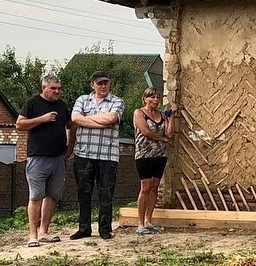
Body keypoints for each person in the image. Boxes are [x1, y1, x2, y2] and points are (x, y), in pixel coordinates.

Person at [15, 75, 74, 247]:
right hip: (37, 157)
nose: (57, 91)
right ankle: (32, 235)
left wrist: (70, 146)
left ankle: (44, 232)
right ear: (44, 88)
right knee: (36, 196)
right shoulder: (32, 103)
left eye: (59, 88)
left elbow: (71, 126)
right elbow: (19, 125)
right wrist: (42, 119)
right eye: (53, 88)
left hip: (58, 158)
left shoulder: (62, 106)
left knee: (53, 196)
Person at [70, 71, 124, 240]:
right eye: (99, 83)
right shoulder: (82, 100)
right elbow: (75, 118)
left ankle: (105, 229)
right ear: (92, 84)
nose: (103, 86)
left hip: (107, 155)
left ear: (109, 84)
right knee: (83, 192)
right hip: (83, 154)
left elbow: (111, 119)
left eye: (105, 83)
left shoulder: (117, 101)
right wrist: (99, 122)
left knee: (106, 193)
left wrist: (88, 119)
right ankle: (84, 228)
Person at [133, 87, 177, 235]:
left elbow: (170, 133)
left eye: (158, 97)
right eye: (152, 97)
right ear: (145, 98)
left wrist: (172, 117)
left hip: (160, 155)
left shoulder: (162, 115)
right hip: (144, 155)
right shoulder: (139, 113)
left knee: (154, 187)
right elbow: (146, 131)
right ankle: (140, 223)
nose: (156, 100)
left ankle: (148, 220)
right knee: (145, 187)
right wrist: (162, 139)